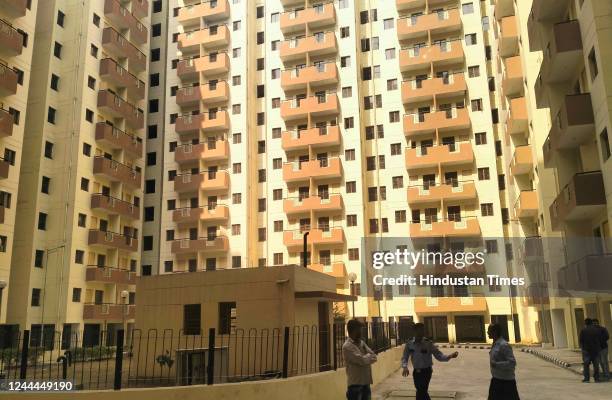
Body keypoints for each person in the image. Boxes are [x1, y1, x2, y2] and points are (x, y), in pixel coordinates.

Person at [401, 322, 458, 400]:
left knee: (421, 390)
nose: (421, 333)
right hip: (416, 372)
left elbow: (438, 355)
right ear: (414, 331)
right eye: (419, 330)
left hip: (426, 371)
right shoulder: (410, 343)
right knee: (420, 391)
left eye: (422, 330)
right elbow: (405, 356)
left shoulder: (428, 343)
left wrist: (449, 356)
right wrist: (405, 367)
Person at [342, 319, 377, 400]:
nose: (361, 332)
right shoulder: (347, 346)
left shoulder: (361, 343)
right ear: (353, 330)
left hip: (366, 383)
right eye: (359, 329)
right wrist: (367, 356)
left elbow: (374, 357)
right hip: (355, 385)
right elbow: (361, 360)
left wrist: (365, 356)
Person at [487, 323, 520, 400]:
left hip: (506, 383)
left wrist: (497, 364)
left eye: (489, 331)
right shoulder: (495, 344)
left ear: (495, 332)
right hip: (496, 380)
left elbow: (512, 363)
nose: (487, 333)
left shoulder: (504, 345)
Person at [579, 318, 601, 382]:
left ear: (585, 323)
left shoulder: (583, 330)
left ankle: (587, 378)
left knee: (586, 365)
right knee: (596, 365)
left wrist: (582, 348)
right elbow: (599, 339)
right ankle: (597, 378)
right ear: (591, 323)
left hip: (586, 350)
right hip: (595, 350)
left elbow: (581, 340)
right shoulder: (596, 330)